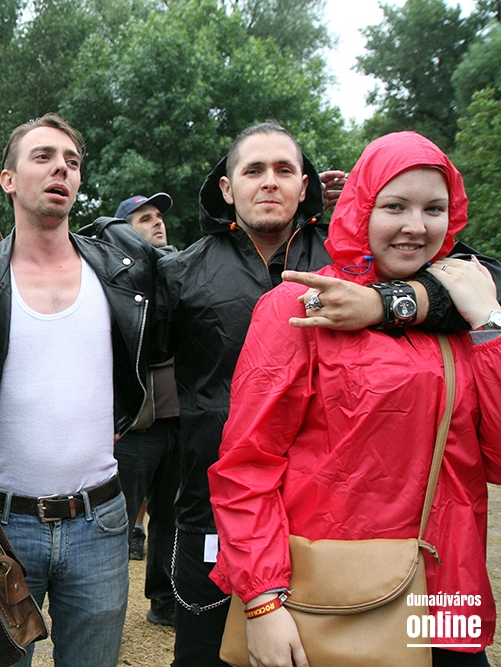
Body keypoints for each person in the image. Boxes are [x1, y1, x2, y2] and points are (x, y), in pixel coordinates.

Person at [151, 121, 501, 667]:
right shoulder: (287, 299)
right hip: (328, 578)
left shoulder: (461, 304)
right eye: (394, 206)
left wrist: (486, 323)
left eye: (434, 209)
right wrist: (264, 600)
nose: (415, 225)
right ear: (362, 207)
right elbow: (247, 462)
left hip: (447, 583)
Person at [0, 114, 155, 667]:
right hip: (4, 527)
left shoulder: (123, 273)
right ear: (8, 179)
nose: (62, 168)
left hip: (101, 521)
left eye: (72, 161)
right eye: (43, 157)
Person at [110, 194, 182, 626]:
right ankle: (107, 612)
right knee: (119, 524)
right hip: (135, 428)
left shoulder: (182, 271)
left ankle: (164, 601)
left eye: (158, 217)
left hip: (179, 422)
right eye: (144, 218)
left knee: (171, 520)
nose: (157, 223)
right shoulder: (115, 282)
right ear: (124, 231)